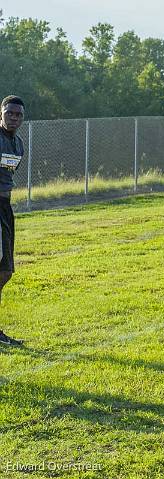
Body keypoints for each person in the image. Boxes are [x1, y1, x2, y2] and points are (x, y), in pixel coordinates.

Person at [0, 95, 26, 347]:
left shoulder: (18, 143)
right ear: (1, 113)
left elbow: (9, 174)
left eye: (18, 115)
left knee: (5, 270)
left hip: (5, 207)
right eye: (10, 113)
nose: (14, 118)